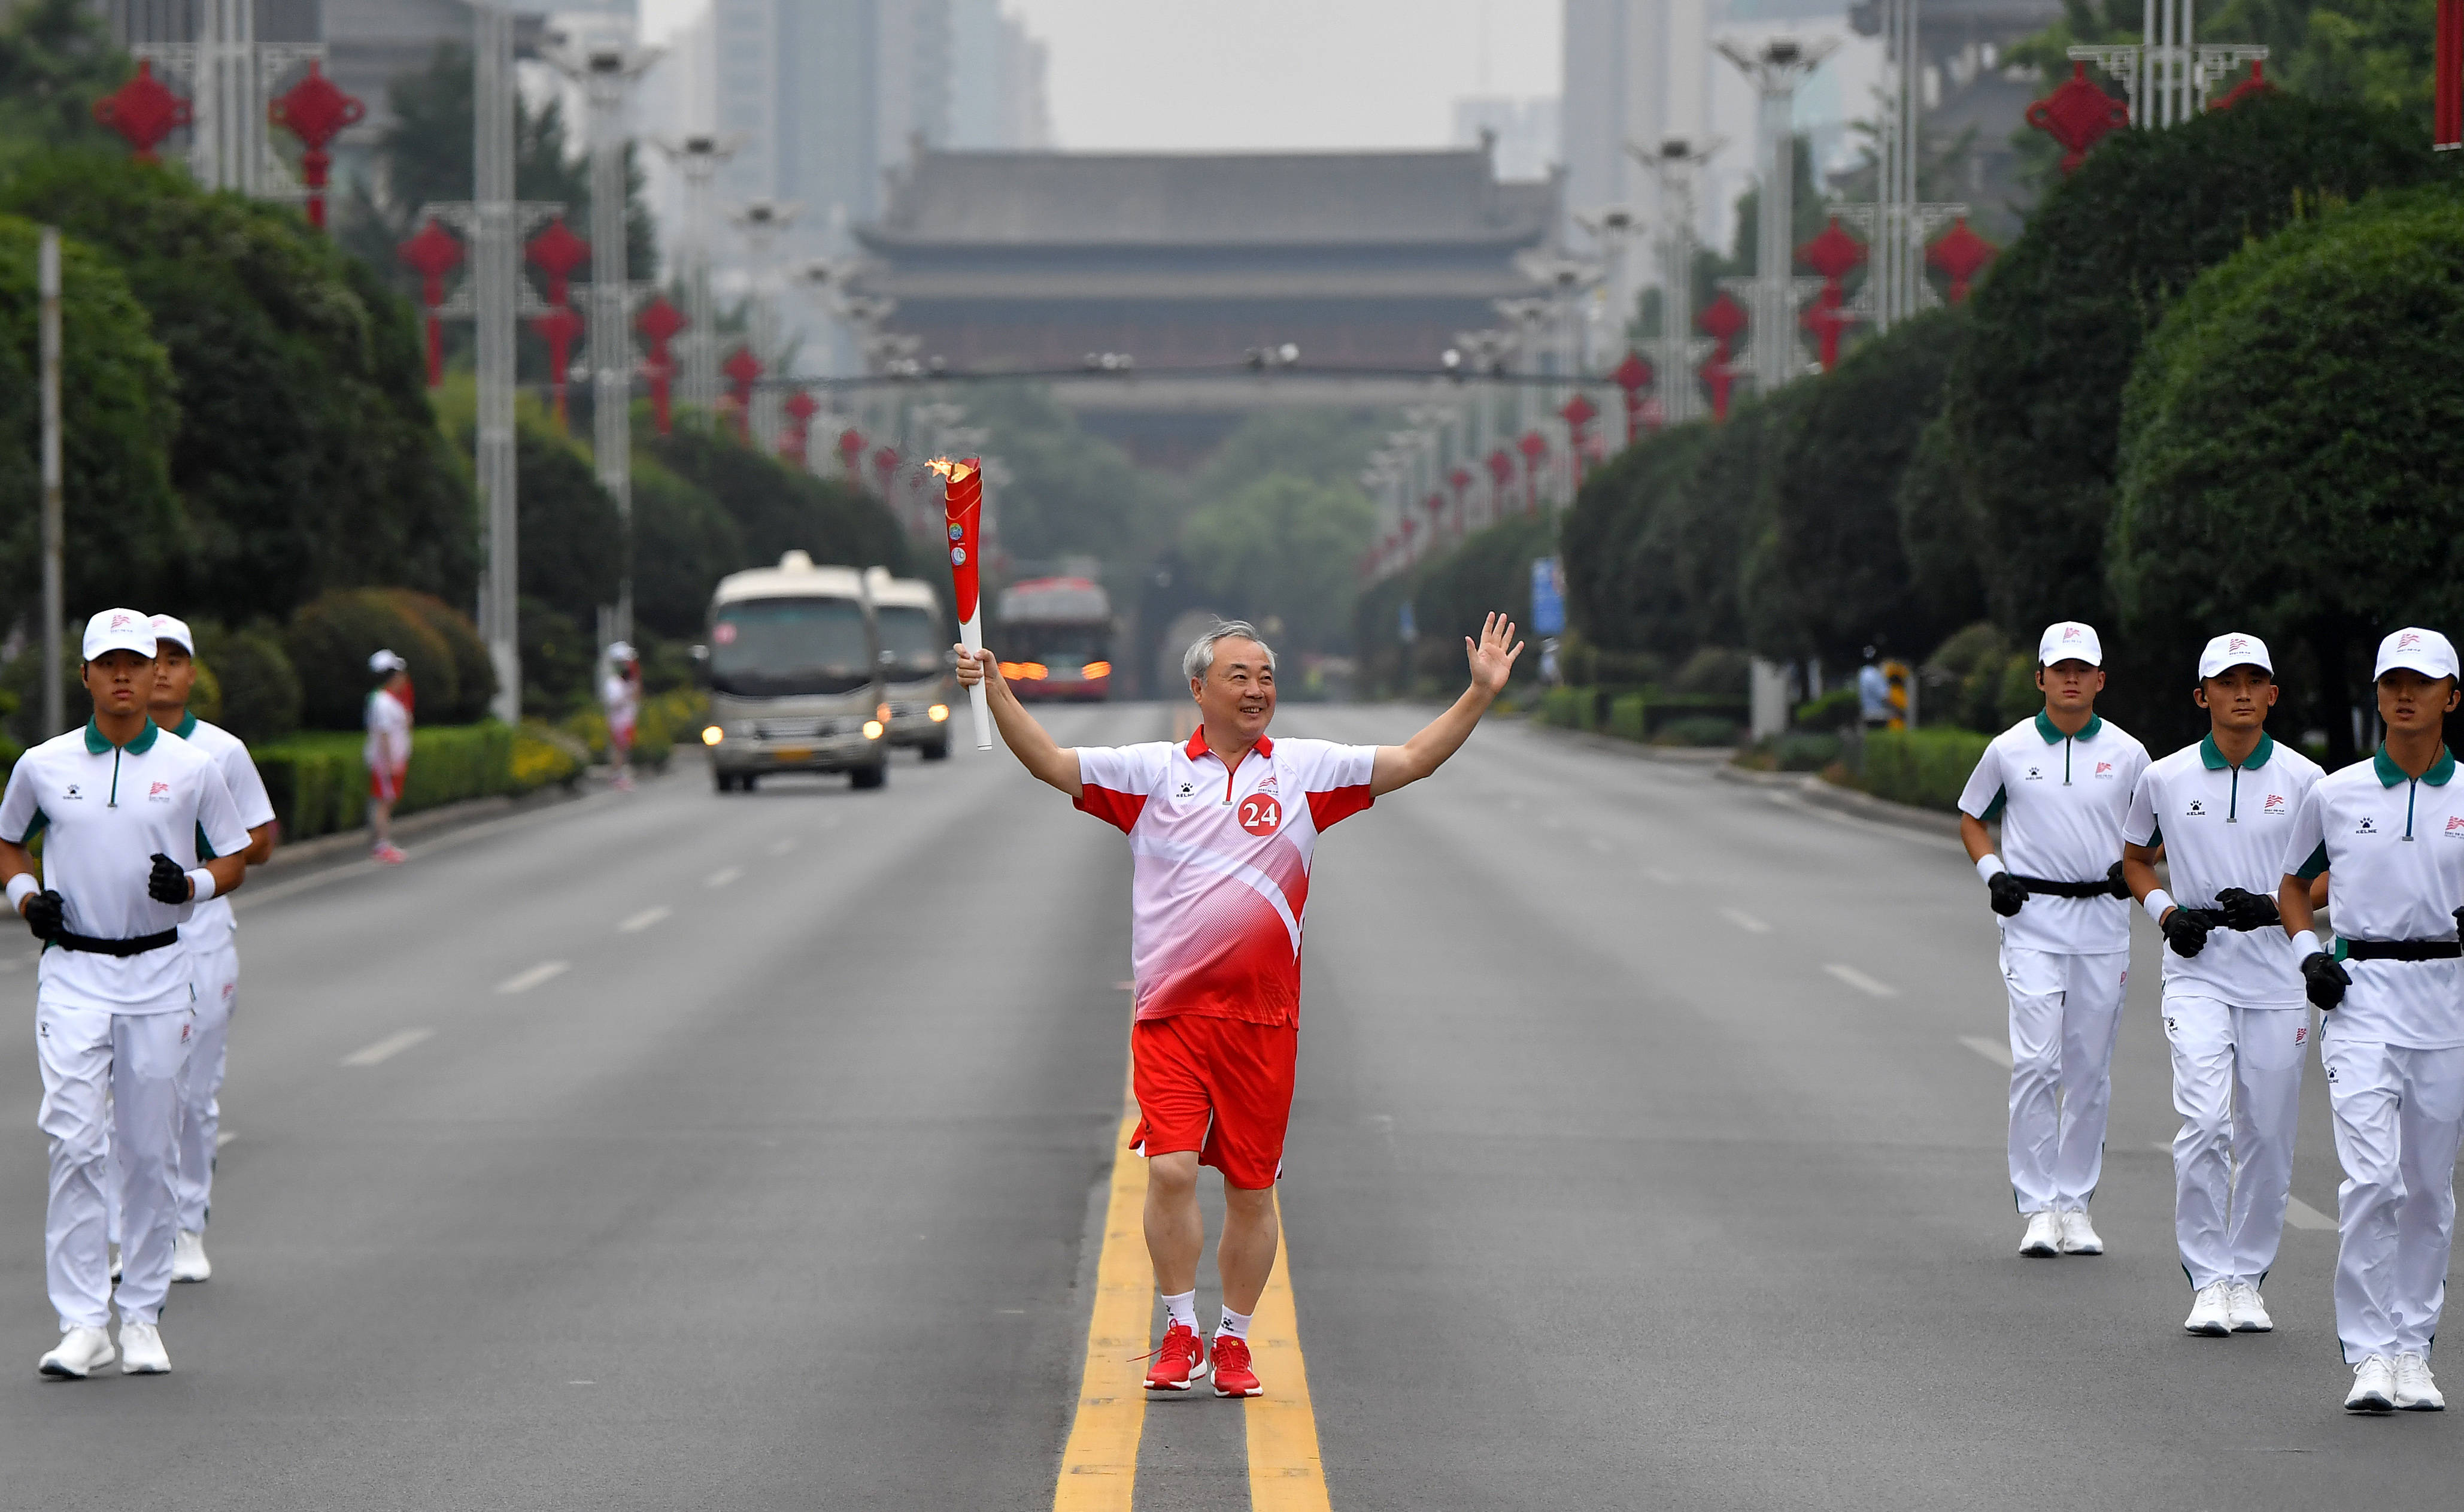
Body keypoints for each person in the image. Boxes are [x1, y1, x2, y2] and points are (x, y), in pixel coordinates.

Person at [953, 614, 1522, 1399]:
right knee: (1174, 1170)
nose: (1258, 689)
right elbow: (1052, 762)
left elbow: (1415, 759)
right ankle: (1180, 1325)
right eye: (1239, 676)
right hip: (1173, 1016)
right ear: (1199, 689)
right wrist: (998, 689)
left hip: (1262, 1023)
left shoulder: (1304, 773)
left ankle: (1234, 1340)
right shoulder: (1151, 774)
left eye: (1266, 676)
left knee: (1253, 1189)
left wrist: (1478, 695)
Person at [0, 610, 252, 1378]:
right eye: (106, 663)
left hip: (157, 972)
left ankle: (140, 1314)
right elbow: (8, 839)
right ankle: (83, 1322)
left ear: (153, 677)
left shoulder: (192, 766)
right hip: (74, 970)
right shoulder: (43, 765)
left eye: (135, 664)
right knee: (76, 1143)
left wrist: (195, 883)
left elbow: (238, 852)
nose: (122, 676)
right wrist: (23, 895)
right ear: (85, 676)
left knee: (147, 1150)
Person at [2277, 627, 2464, 1414]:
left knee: (2427, 1188)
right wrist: (2307, 955)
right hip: (2359, 997)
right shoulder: (2337, 792)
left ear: (2451, 696)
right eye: (2392, 682)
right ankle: (2369, 1353)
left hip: (2446, 1000)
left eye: (2421, 683)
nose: (2404, 695)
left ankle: (2414, 1349)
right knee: (2373, 1178)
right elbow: (2291, 884)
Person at [2119, 634, 2323, 1337]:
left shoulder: (2307, 779)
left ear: (2273, 693)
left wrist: (2278, 904)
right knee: (2205, 1121)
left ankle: (2247, 1274)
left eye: (2254, 680)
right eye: (2225, 681)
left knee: (2266, 1132)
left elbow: (2333, 870)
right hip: (2199, 971)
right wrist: (2167, 913)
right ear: (2202, 695)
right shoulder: (2166, 779)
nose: (2241, 692)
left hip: (2276, 975)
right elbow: (2136, 861)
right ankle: (2209, 1275)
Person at [1958, 621, 2150, 1258]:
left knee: (2089, 1069)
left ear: (2100, 678)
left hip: (2101, 921)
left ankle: (2076, 1203)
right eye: (2059, 667)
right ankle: (2038, 1205)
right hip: (2032, 916)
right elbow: (1972, 817)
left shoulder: (2129, 754)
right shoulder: (2009, 748)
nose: (2071, 677)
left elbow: (2154, 830)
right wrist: (1995, 873)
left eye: (2083, 668)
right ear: (2040, 677)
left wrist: (2137, 869)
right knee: (2039, 1060)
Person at [145, 616, 278, 1283]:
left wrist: (207, 855)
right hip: (127, 946)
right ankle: (131, 1234)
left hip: (201, 940)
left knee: (193, 1094)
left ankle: (188, 1226)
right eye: (152, 658)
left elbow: (262, 836)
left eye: (176, 658)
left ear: (193, 672)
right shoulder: (101, 754)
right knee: (131, 1098)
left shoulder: (221, 751)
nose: (162, 669)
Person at [365, 650, 412, 865]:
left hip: (392, 761)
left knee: (387, 801)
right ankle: (381, 845)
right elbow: (383, 735)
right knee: (384, 802)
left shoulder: (390, 701)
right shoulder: (382, 701)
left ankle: (382, 843)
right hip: (385, 763)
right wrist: (389, 762)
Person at [602, 641, 642, 792]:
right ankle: (617, 776)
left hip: (627, 719)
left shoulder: (627, 682)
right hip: (618, 721)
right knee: (619, 749)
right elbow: (614, 703)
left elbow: (636, 696)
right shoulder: (613, 683)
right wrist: (627, 693)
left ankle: (620, 775)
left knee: (625, 749)